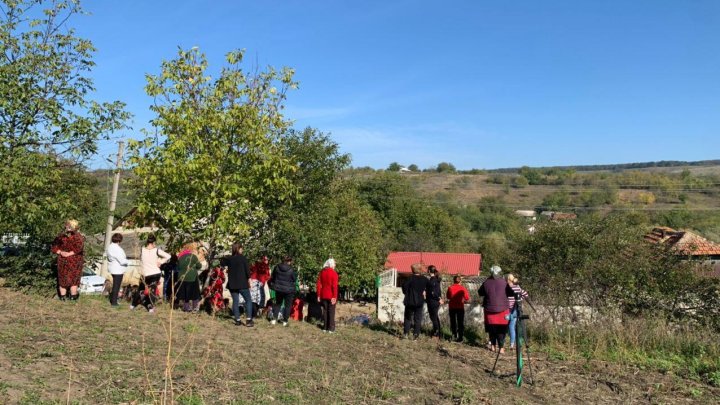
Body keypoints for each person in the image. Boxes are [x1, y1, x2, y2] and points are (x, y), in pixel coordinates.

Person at [479, 265, 515, 353]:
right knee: (501, 329)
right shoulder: (504, 282)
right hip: (503, 309)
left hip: (489, 309)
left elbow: (480, 292)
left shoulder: (486, 282)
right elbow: (511, 293)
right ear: (500, 272)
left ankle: (493, 346)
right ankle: (501, 348)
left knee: (492, 328)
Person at [133, 234, 171, 313]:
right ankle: (150, 307)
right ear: (154, 242)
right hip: (155, 273)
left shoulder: (142, 249)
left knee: (141, 289)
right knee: (152, 290)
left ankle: (134, 304)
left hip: (145, 273)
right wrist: (160, 262)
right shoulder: (157, 250)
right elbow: (168, 256)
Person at [220, 243, 253, 327]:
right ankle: (249, 320)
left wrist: (225, 266)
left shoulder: (230, 259)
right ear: (238, 249)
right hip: (242, 284)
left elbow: (222, 262)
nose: (242, 250)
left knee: (235, 301)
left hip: (232, 284)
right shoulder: (243, 258)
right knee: (248, 300)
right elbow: (247, 271)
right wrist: (249, 281)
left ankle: (237, 320)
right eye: (241, 248)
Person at [51, 219, 85, 301]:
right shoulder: (77, 236)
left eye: (69, 225)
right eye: (67, 225)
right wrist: (62, 252)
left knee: (67, 279)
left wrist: (62, 252)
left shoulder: (62, 236)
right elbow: (79, 248)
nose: (67, 227)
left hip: (69, 260)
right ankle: (70, 298)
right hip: (71, 260)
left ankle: (65, 297)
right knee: (71, 279)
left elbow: (53, 247)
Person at [402, 263, 429, 340]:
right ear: (420, 269)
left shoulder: (410, 278)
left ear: (412, 270)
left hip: (410, 301)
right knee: (418, 318)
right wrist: (425, 291)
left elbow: (404, 287)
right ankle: (416, 335)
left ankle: (406, 334)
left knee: (407, 318)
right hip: (420, 301)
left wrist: (407, 293)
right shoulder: (424, 279)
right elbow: (429, 287)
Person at [269, 256, 297, 326]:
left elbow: (273, 277)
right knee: (288, 306)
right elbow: (294, 279)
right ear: (288, 261)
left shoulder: (277, 267)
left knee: (278, 304)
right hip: (289, 290)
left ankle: (274, 319)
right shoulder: (291, 270)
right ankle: (285, 321)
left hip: (279, 288)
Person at [176, 242, 202, 312]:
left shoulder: (180, 257)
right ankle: (195, 307)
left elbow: (178, 267)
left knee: (185, 293)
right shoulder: (193, 256)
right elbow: (199, 266)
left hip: (182, 277)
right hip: (192, 277)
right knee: (195, 293)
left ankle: (186, 307)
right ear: (191, 249)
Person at [506, 274, 530, 349]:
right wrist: (521, 299)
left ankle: (511, 344)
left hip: (511, 309)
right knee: (513, 326)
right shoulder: (518, 287)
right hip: (516, 309)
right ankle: (515, 343)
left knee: (510, 326)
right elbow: (526, 294)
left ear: (508, 280)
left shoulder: (507, 288)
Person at [316, 258, 339, 333]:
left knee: (325, 311)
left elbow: (319, 284)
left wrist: (318, 295)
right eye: (334, 264)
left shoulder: (322, 272)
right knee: (331, 311)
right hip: (331, 295)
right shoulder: (334, 273)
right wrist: (335, 296)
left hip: (323, 294)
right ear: (331, 264)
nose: (335, 265)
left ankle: (325, 327)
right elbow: (334, 286)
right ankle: (331, 328)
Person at [106, 233, 129, 307]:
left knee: (115, 285)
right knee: (117, 286)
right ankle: (114, 302)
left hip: (112, 268)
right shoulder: (117, 249)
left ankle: (114, 300)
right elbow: (122, 261)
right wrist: (129, 262)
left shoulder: (110, 247)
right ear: (120, 240)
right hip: (118, 269)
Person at [446, 275, 471, 342]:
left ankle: (454, 335)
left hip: (452, 307)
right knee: (460, 322)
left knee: (453, 321)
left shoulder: (450, 288)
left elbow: (448, 297)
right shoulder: (463, 288)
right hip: (460, 307)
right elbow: (467, 298)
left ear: (453, 280)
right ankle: (460, 337)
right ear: (460, 281)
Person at [425, 265, 443, 338]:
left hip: (433, 301)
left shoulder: (432, 280)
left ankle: (436, 333)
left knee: (433, 317)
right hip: (435, 301)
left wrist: (439, 299)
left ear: (429, 271)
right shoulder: (436, 279)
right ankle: (437, 332)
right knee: (435, 317)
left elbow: (433, 292)